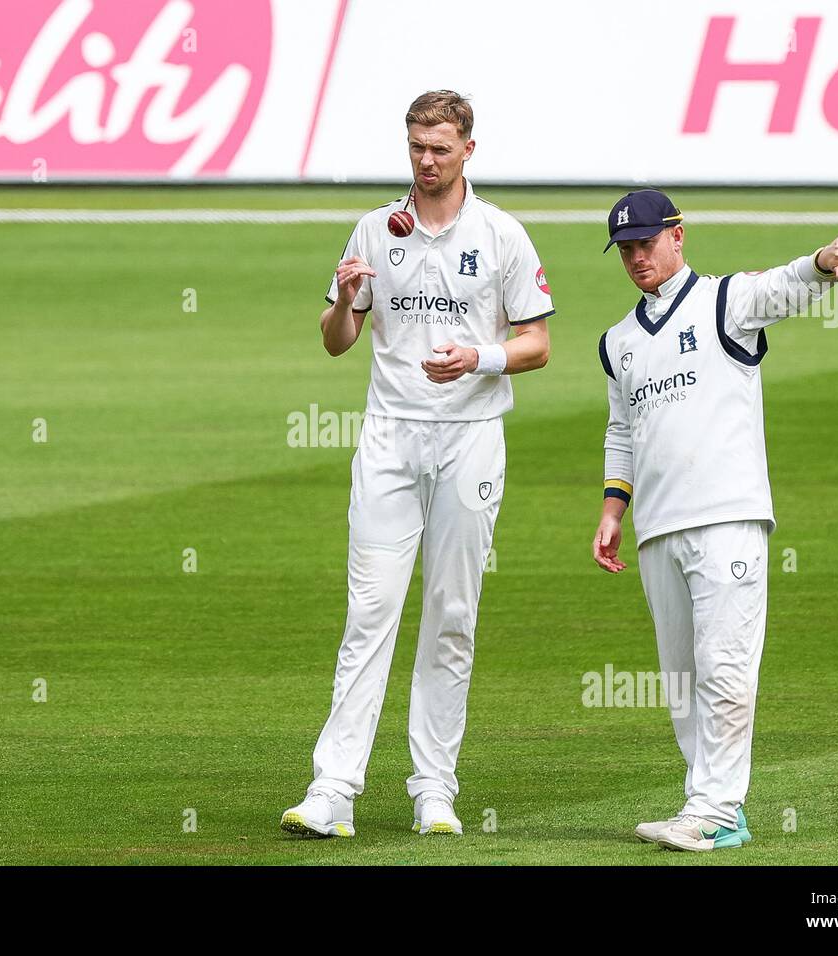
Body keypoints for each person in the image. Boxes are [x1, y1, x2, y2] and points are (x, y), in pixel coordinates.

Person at [280, 90, 553, 837]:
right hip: (390, 437)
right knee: (369, 610)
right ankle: (332, 789)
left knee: (453, 615)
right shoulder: (376, 228)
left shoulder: (501, 235)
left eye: (439, 147)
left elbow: (537, 343)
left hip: (470, 437)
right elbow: (338, 340)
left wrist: (479, 357)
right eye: (415, 147)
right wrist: (341, 300)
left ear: (469, 149)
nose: (426, 161)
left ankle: (435, 788)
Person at [592, 188, 838, 851]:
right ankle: (712, 805)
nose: (637, 258)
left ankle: (715, 807)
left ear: (678, 236)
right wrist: (613, 509)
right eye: (626, 249)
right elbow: (621, 432)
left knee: (725, 667)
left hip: (728, 516)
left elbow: (781, 288)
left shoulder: (725, 300)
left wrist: (819, 261)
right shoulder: (619, 342)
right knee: (684, 681)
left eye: (646, 243)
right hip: (657, 527)